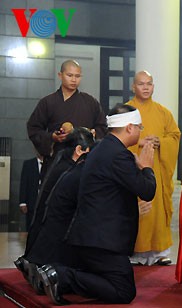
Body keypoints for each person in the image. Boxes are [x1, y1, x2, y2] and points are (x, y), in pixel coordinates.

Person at [34, 104, 156, 305]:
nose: (139, 132)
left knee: (112, 283)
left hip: (90, 236)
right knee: (124, 291)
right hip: (102, 241)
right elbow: (147, 190)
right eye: (139, 127)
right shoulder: (118, 154)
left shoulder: (103, 148)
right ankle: (61, 275)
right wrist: (146, 168)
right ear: (129, 128)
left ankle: (61, 277)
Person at [17, 127, 95, 294]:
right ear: (79, 150)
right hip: (57, 226)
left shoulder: (62, 160)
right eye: (89, 151)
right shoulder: (70, 169)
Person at [126, 70, 181, 266]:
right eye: (141, 84)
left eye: (149, 83)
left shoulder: (162, 112)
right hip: (132, 168)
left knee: (157, 206)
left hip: (156, 168)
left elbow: (175, 136)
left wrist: (161, 142)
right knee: (135, 205)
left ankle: (159, 251)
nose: (146, 87)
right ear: (133, 87)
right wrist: (139, 142)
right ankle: (134, 250)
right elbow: (115, 135)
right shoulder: (126, 111)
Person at [26, 59, 107, 180]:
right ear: (60, 75)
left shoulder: (90, 102)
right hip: (57, 160)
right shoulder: (48, 102)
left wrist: (93, 134)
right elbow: (34, 128)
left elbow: (102, 127)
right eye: (70, 75)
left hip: (84, 160)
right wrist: (52, 137)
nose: (74, 80)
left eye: (77, 76)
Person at [19, 153, 42, 230]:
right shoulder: (28, 164)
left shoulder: (51, 164)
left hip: (45, 203)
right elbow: (24, 183)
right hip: (31, 202)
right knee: (30, 226)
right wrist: (22, 202)